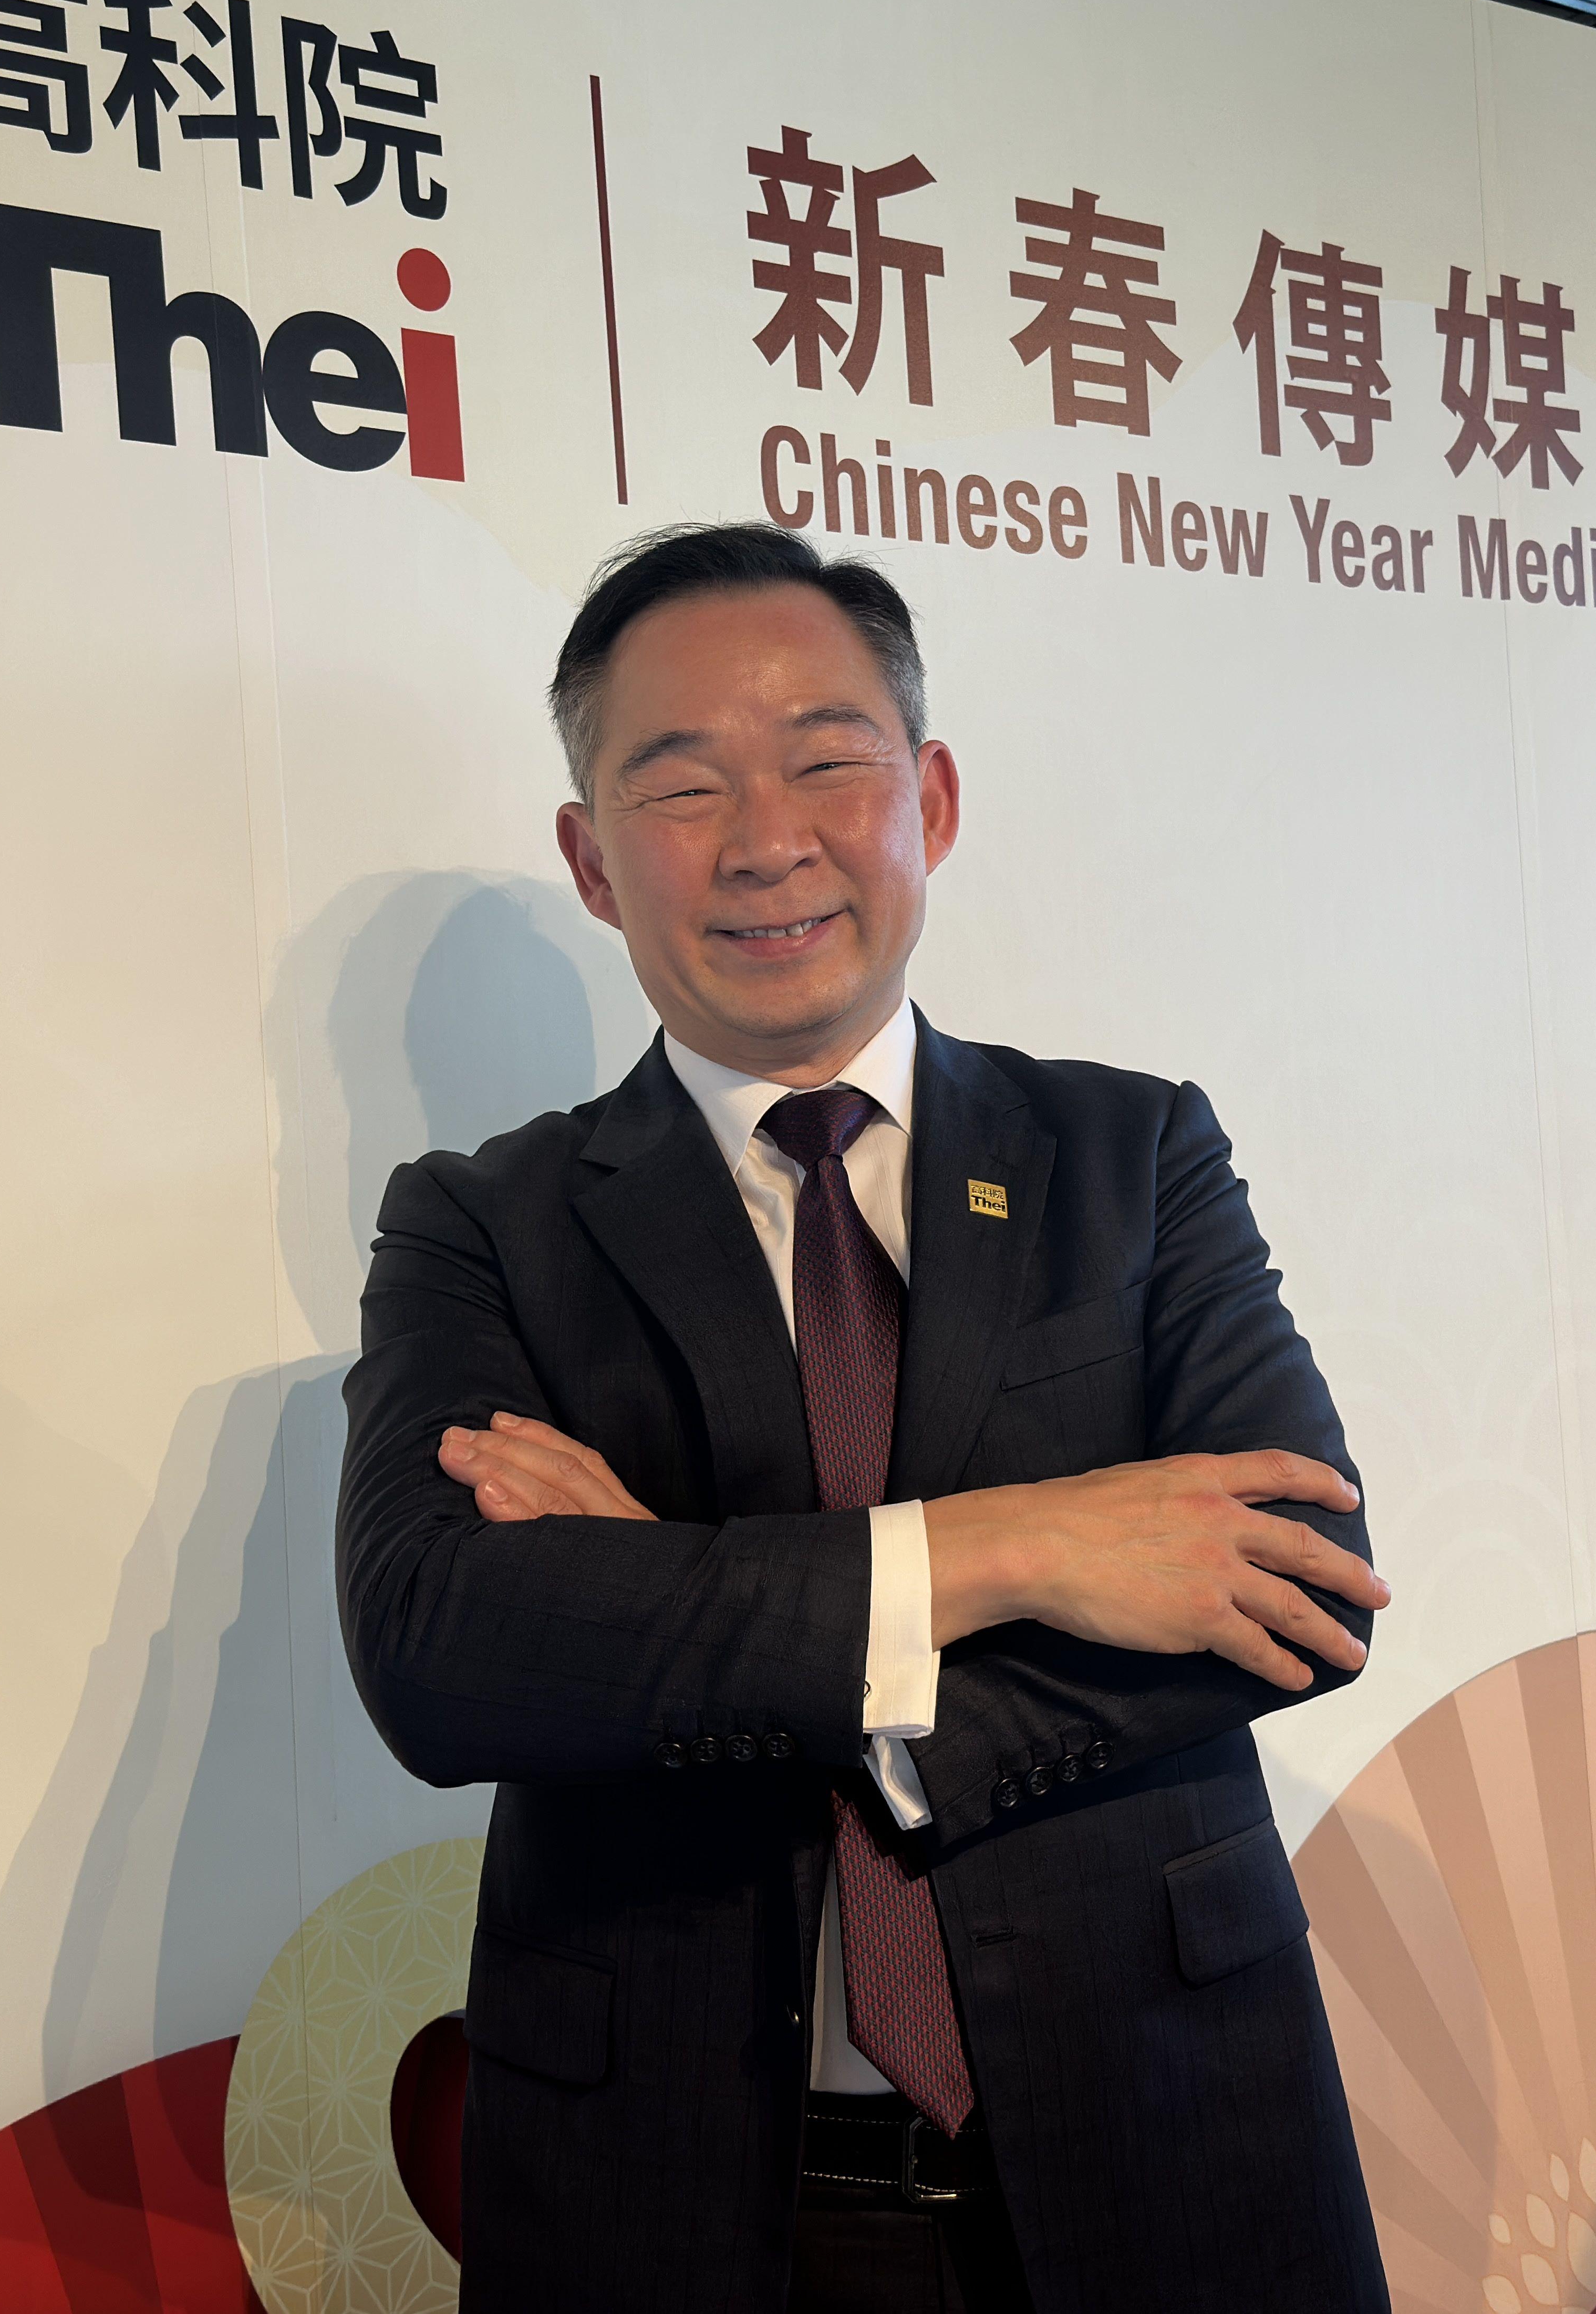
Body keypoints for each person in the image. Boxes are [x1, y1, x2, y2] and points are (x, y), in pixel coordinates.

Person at [336, 522, 1392, 2314]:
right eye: (683, 788)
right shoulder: (483, 1225)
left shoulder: (1127, 1158)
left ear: (932, 799)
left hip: (1170, 2139)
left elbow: (1297, 1582)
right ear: (591, 860)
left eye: (828, 763)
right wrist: (1024, 1548)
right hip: (676, 2197)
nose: (767, 842)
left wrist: (669, 1605)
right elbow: (443, 1654)